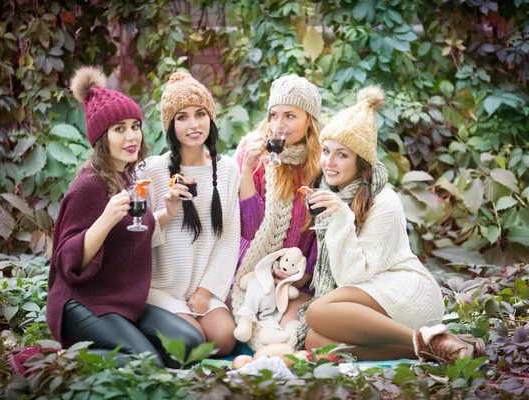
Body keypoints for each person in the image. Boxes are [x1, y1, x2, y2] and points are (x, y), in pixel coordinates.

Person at [296, 85, 486, 364]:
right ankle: (439, 346)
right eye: (326, 151)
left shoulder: (384, 200)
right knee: (315, 341)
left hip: (407, 291)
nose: (329, 162)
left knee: (316, 313)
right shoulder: (333, 195)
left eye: (342, 154)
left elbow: (352, 276)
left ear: (361, 161)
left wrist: (341, 217)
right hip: (373, 294)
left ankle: (423, 337)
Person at [47, 67, 204, 368]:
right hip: (81, 302)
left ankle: (122, 349)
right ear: (101, 137)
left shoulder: (127, 175)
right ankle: (64, 361)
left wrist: (166, 214)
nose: (131, 136)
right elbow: (67, 261)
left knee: (189, 346)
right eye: (119, 129)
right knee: (147, 364)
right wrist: (104, 219)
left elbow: (129, 233)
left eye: (135, 126)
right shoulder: (89, 184)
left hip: (122, 299)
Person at [140, 72, 240, 357]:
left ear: (211, 117)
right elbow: (137, 236)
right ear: (170, 126)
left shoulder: (227, 169)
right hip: (162, 287)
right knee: (192, 342)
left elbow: (228, 238)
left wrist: (206, 291)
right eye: (182, 117)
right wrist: (166, 213)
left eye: (200, 114)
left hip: (201, 286)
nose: (194, 125)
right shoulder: (152, 171)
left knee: (223, 340)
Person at [230, 75, 323, 350]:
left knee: (291, 333)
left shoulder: (321, 163)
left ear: (309, 120)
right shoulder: (255, 154)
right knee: (254, 323)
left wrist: (305, 274)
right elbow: (249, 230)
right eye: (274, 115)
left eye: (290, 116)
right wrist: (247, 169)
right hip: (254, 272)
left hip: (297, 276)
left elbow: (323, 231)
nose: (279, 125)